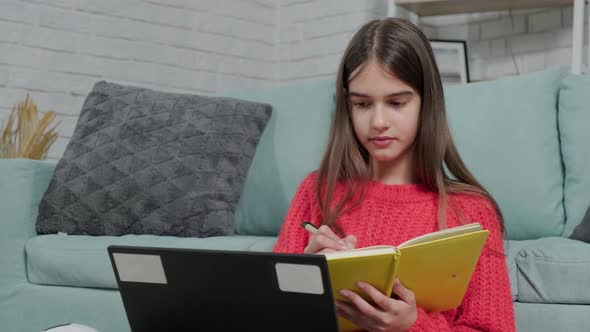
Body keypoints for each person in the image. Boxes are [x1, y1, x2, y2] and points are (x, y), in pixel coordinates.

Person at [272, 18, 515, 332]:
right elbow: (272, 315)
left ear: (426, 104)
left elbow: (493, 328)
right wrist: (303, 277)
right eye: (362, 104)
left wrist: (412, 326)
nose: (378, 121)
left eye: (397, 102)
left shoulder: (471, 211)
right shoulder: (316, 191)